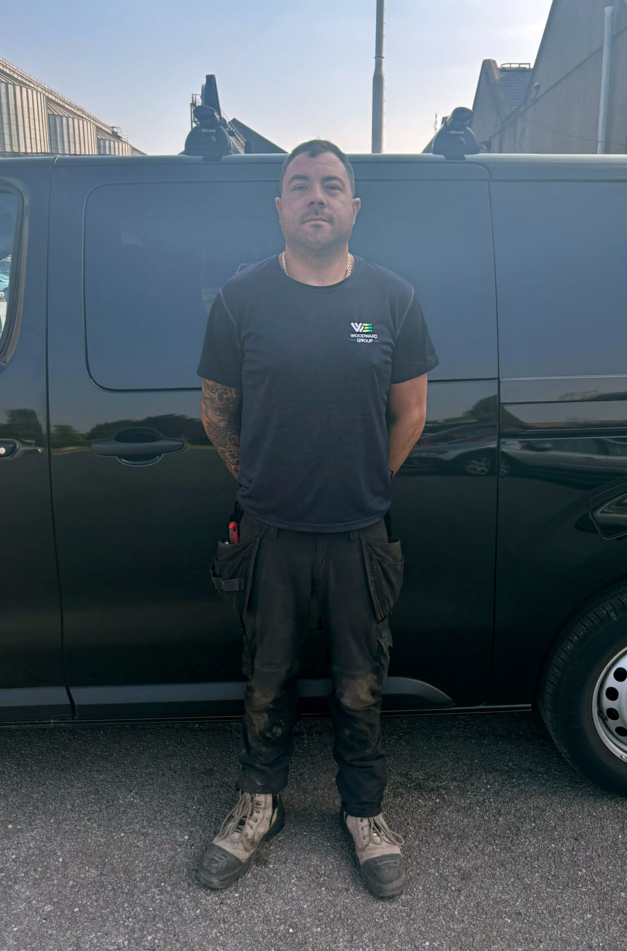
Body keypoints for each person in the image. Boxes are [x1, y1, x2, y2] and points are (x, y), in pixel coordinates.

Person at [196, 139, 439, 897]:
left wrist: (361, 483)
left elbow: (413, 412)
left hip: (359, 535)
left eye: (331, 186)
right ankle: (256, 805)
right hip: (270, 534)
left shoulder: (392, 300)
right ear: (279, 205)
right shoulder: (240, 300)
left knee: (360, 684)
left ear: (353, 206)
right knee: (266, 679)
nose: (315, 197)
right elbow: (215, 413)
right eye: (299, 185)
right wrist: (266, 482)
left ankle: (365, 814)